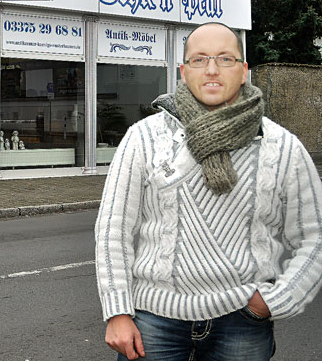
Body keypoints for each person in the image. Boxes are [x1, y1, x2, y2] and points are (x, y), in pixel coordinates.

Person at [95, 22, 322, 360]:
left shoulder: (282, 146)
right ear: (184, 72)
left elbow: (314, 236)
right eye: (199, 59)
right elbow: (114, 230)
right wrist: (117, 311)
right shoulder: (144, 138)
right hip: (153, 321)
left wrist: (274, 301)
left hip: (243, 323)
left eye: (225, 59)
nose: (212, 69)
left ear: (244, 71)